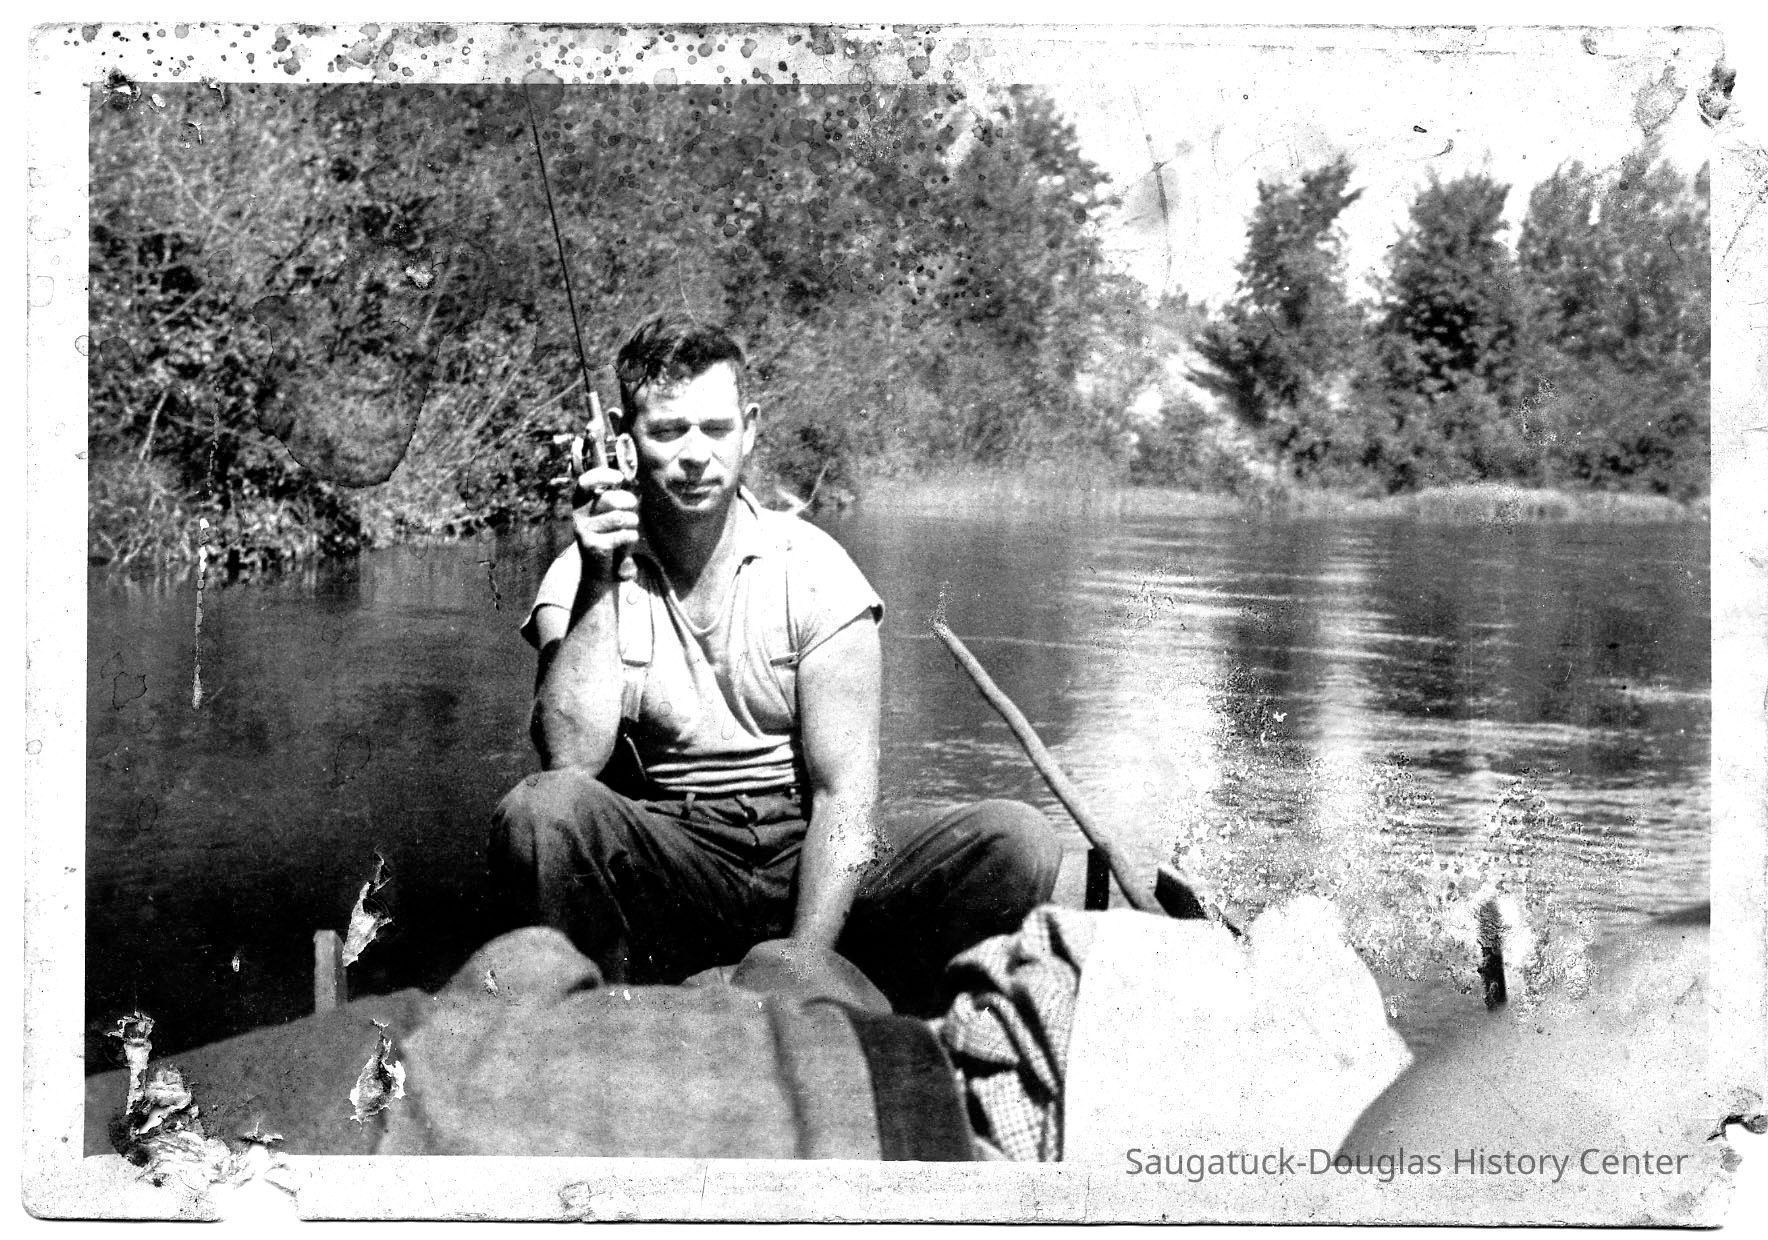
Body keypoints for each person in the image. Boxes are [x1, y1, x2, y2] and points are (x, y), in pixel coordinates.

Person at [488, 313, 1060, 1014]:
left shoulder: (818, 570)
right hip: (671, 857)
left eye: (716, 428)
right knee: (539, 810)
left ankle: (886, 1017)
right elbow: (568, 762)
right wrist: (602, 575)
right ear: (623, 437)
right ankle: (602, 1026)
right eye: (668, 431)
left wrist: (801, 963)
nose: (695, 455)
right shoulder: (578, 577)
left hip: (804, 848)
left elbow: (844, 797)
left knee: (1018, 842)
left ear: (750, 429)